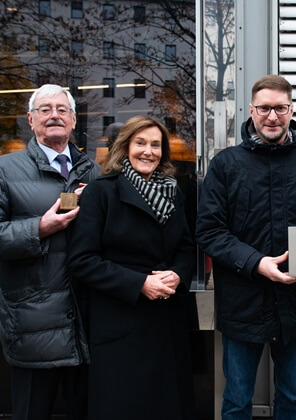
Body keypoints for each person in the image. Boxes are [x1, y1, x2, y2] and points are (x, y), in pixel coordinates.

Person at [196, 74, 296, 419]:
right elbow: (209, 231)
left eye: (280, 108)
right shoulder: (226, 164)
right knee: (236, 400)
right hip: (243, 301)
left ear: (291, 110)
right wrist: (257, 262)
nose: (272, 117)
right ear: (251, 110)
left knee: (292, 398)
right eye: (264, 109)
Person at [0, 84, 99, 419]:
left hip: (87, 326)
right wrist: (38, 228)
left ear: (74, 120)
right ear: (30, 120)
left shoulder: (93, 172)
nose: (54, 115)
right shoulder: (3, 170)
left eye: (62, 109)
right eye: (45, 109)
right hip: (33, 327)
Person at [67, 115, 196, 419]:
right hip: (120, 324)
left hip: (167, 320)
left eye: (155, 145)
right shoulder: (102, 192)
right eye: (140, 143)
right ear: (125, 148)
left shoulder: (172, 191)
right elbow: (82, 261)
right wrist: (140, 283)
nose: (148, 151)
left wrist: (178, 274)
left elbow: (186, 248)